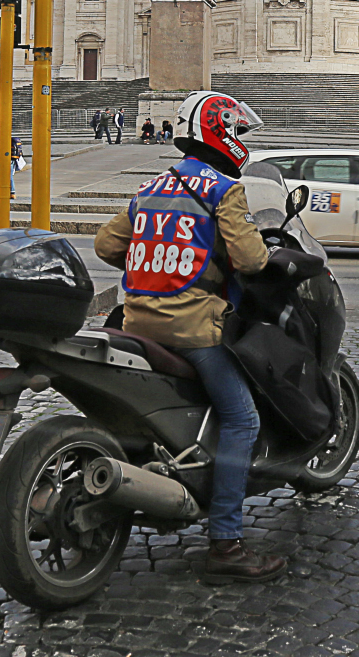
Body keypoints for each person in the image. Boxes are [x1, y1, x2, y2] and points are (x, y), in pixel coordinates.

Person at [93, 91, 284, 584]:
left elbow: (106, 245)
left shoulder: (152, 186)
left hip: (135, 324)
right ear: (221, 134)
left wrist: (155, 258)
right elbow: (251, 261)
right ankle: (226, 543)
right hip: (194, 329)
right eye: (236, 131)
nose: (239, 139)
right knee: (242, 419)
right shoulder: (224, 190)